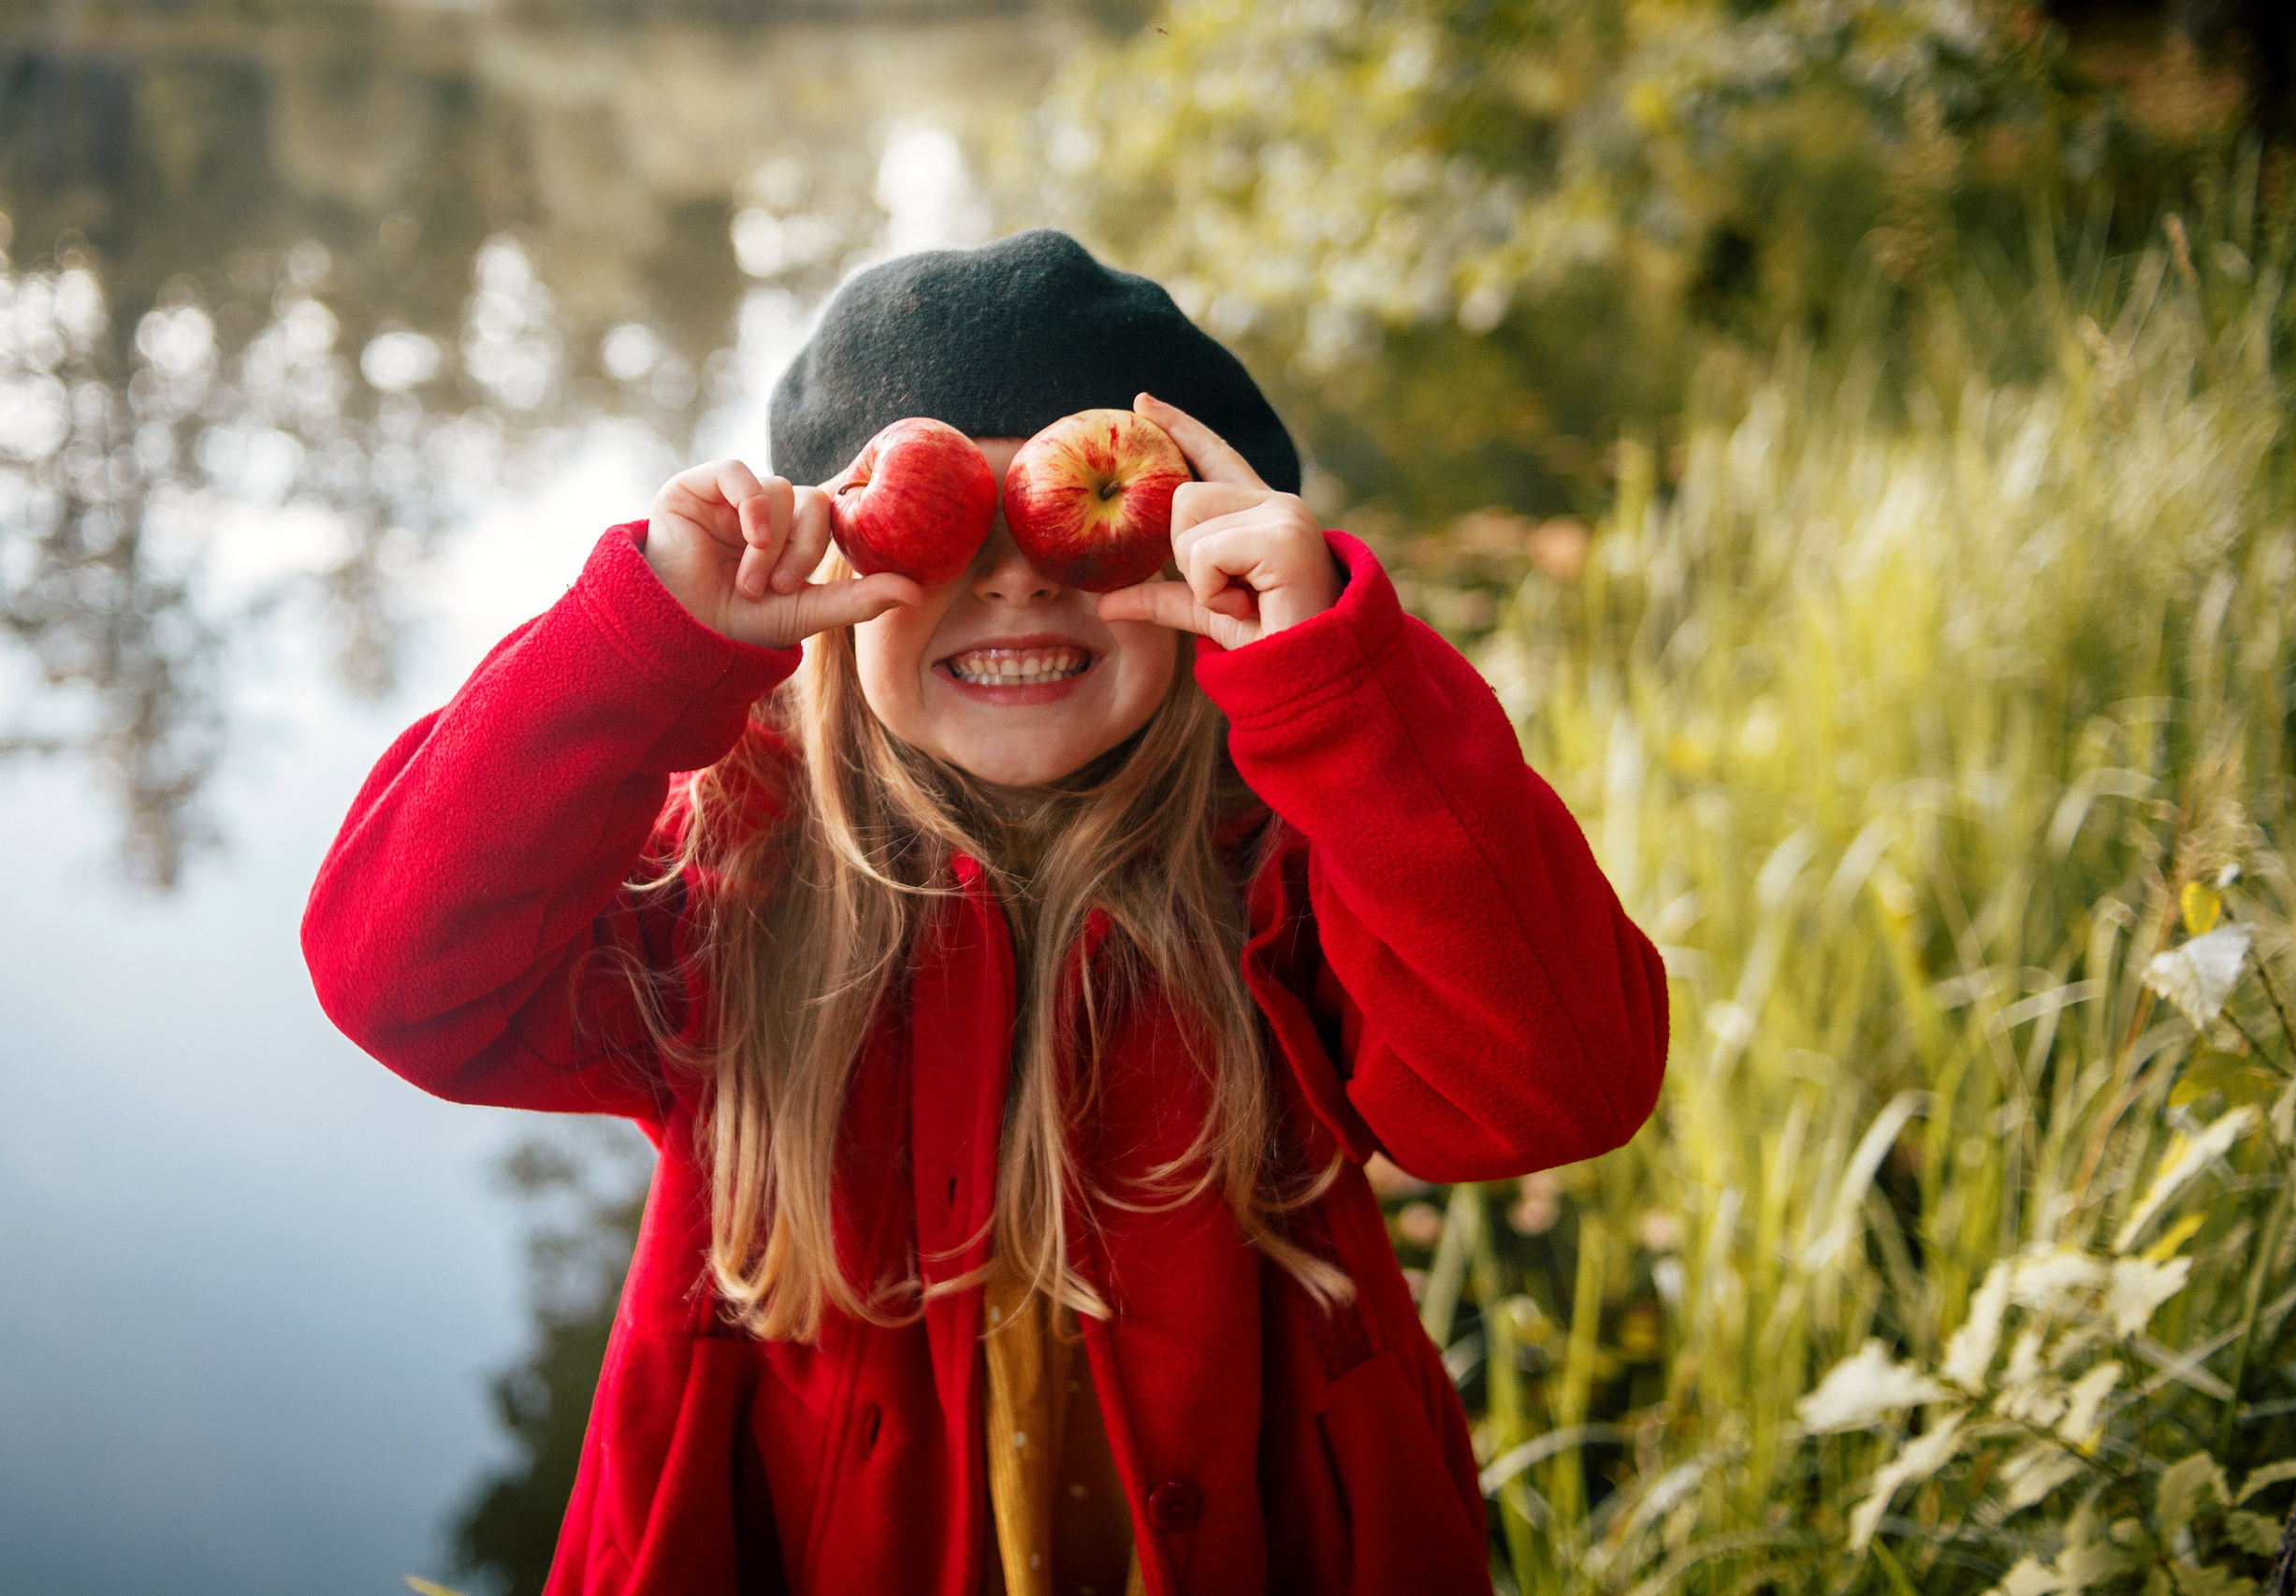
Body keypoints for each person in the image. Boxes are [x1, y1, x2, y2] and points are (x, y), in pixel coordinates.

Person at [303, 229, 1668, 1596]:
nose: (1016, 576)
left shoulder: (1301, 873)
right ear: (822, 579)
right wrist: (649, 637)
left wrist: (1339, 683)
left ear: (1208, 566)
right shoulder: (737, 881)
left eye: (1073, 514)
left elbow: (1566, 1085)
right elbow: (399, 976)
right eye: (952, 516)